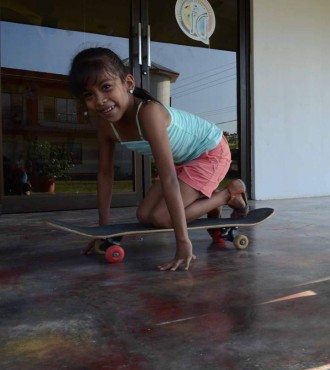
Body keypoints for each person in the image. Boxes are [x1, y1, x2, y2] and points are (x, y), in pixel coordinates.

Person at [68, 47, 248, 271]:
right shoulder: (105, 126)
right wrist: (104, 231)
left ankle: (228, 195)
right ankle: (208, 196)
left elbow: (169, 178)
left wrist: (183, 241)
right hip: (183, 161)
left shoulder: (148, 113)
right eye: (89, 95)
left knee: (163, 219)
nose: (100, 100)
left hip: (209, 152)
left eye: (106, 87)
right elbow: (105, 174)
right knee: (144, 215)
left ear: (128, 82)